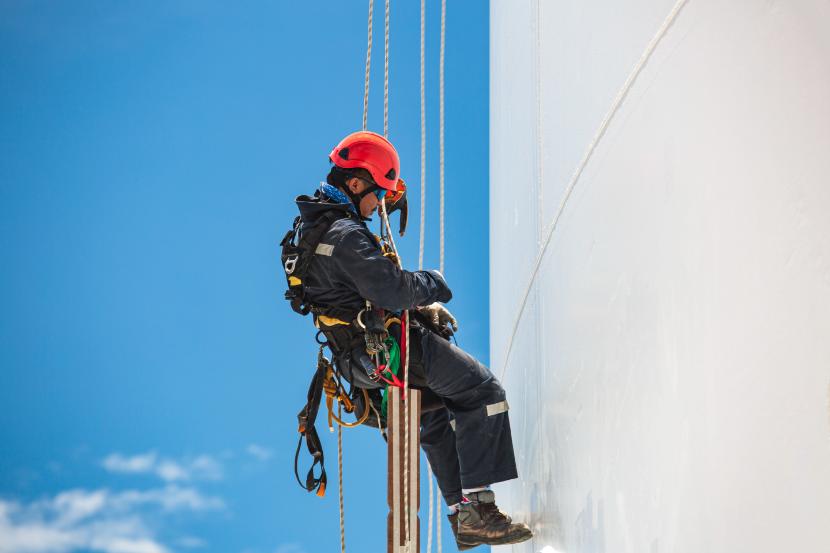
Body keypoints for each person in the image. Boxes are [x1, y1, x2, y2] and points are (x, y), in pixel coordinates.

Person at [283, 130, 532, 549]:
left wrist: (412, 309)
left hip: (357, 361)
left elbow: (348, 294)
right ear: (356, 182)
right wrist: (433, 285)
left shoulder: (307, 234)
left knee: (431, 415)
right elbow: (393, 290)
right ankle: (477, 508)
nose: (378, 206)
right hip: (387, 350)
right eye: (377, 194)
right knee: (481, 390)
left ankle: (461, 514)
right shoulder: (344, 234)